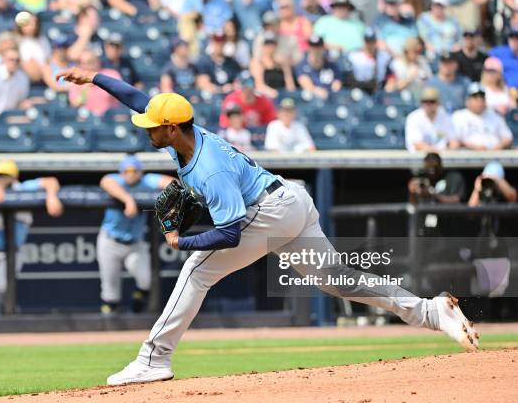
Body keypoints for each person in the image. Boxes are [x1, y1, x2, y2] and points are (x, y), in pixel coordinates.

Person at [57, 65, 481, 385]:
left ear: (171, 128)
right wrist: (93, 77)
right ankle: (429, 310)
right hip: (290, 201)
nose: (146, 128)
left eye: (153, 126)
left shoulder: (209, 170)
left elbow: (232, 232)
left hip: (267, 212)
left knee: (196, 272)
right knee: (339, 280)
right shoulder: (185, 132)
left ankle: (153, 360)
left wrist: (180, 241)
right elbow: (137, 99)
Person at [0, 159, 63, 318]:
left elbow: (51, 181)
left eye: (6, 175)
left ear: (14, 177)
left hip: (13, 252)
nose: (2, 179)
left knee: (2, 287)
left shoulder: (23, 189)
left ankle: (8, 318)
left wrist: (52, 196)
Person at [98, 155, 174, 315]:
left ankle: (136, 308)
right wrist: (128, 200)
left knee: (145, 280)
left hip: (135, 243)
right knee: (110, 288)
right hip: (110, 241)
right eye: (127, 171)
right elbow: (105, 182)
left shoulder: (147, 181)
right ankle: (108, 327)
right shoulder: (115, 180)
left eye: (134, 171)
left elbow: (173, 184)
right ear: (121, 172)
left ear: (141, 172)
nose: (130, 174)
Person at [451, 83, 513, 150]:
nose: (479, 100)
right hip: (468, 156)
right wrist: (473, 147)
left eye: (482, 97)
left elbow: (508, 137)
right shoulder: (459, 116)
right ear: (467, 101)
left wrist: (500, 145)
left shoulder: (494, 115)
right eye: (475, 97)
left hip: (494, 156)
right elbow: (454, 140)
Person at [68, 49, 121, 116]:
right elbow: (75, 104)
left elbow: (119, 93)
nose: (86, 66)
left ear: (98, 62)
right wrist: (85, 89)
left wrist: (98, 81)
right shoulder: (76, 80)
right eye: (82, 63)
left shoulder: (111, 74)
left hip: (110, 118)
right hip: (87, 119)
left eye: (90, 62)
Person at [405, 87, 457, 152]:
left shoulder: (445, 117)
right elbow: (417, 144)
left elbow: (454, 141)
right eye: (425, 101)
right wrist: (435, 151)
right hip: (418, 157)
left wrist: (449, 152)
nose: (428, 104)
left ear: (438, 103)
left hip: (442, 157)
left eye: (432, 101)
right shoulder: (413, 118)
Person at [345, 28, 395, 94]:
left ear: (376, 40)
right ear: (364, 40)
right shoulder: (354, 56)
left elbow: (390, 75)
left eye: (372, 41)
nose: (370, 44)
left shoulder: (383, 57)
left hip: (379, 90)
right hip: (359, 89)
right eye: (367, 41)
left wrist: (390, 84)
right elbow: (348, 78)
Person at [250, 32, 296, 99]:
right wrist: (275, 94)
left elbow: (290, 84)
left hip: (282, 95)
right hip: (266, 96)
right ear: (262, 46)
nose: (270, 47)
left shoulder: (281, 63)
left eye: (272, 44)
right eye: (267, 44)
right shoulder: (257, 62)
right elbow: (259, 85)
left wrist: (289, 95)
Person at [295, 35, 342, 100]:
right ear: (308, 48)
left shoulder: (331, 65)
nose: (315, 50)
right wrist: (316, 91)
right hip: (311, 99)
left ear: (323, 48)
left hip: (330, 98)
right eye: (312, 46)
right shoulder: (302, 65)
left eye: (318, 47)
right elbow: (306, 84)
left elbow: (337, 84)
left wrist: (330, 92)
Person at [15, 12, 51, 83]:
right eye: (29, 23)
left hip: (46, 79)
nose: (33, 26)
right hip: (29, 83)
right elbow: (33, 73)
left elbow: (49, 60)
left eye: (35, 22)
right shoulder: (17, 42)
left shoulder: (42, 39)